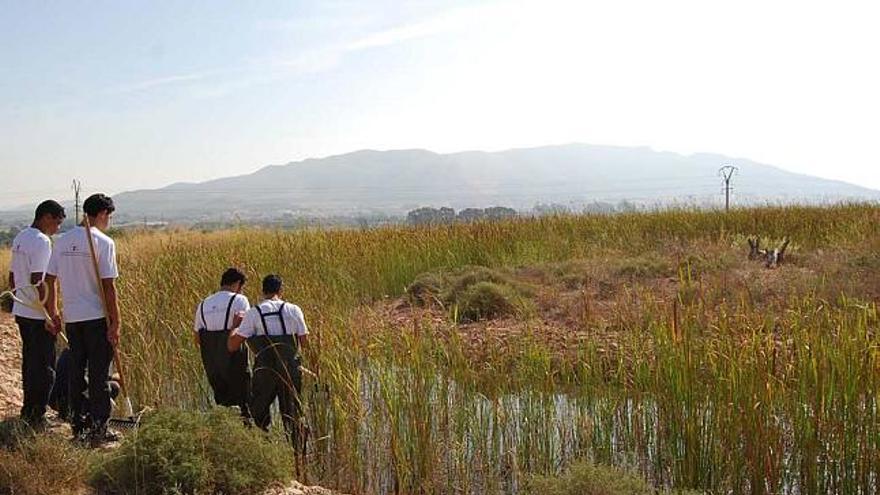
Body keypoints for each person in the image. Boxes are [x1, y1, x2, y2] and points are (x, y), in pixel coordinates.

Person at [45, 193, 120, 445]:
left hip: (73, 318)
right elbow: (109, 287)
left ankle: (79, 426)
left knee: (77, 372)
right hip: (97, 317)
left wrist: (54, 311)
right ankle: (99, 428)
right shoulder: (103, 242)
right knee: (99, 375)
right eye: (108, 216)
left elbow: (49, 279)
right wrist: (116, 322)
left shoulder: (62, 241)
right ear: (101, 214)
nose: (108, 221)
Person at [228, 274, 308, 449]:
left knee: (258, 414)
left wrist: (235, 325)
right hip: (290, 371)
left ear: (263, 291)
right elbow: (305, 343)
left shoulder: (253, 313)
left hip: (265, 372)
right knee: (294, 416)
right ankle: (299, 459)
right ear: (281, 290)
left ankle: (265, 452)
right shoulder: (294, 310)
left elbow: (233, 346)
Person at [7, 200, 66, 428]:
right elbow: (40, 280)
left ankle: (29, 410)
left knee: (30, 362)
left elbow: (13, 277)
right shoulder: (42, 242)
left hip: (22, 310)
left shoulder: (21, 236)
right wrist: (51, 314)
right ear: (46, 217)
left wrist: (17, 299)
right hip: (37, 313)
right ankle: (37, 414)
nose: (58, 228)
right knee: (44, 365)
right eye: (57, 223)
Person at [195, 268, 251, 417]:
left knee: (223, 407)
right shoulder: (239, 300)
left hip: (212, 365)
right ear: (238, 284)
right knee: (243, 406)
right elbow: (246, 330)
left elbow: (197, 339)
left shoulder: (202, 304)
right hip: (234, 362)